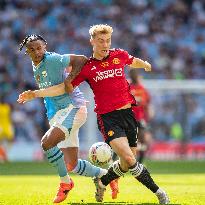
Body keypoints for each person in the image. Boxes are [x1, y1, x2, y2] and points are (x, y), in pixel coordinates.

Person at [21, 25, 170, 204]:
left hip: (129, 115)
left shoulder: (118, 55)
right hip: (108, 118)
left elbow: (131, 60)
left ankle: (102, 180)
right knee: (130, 160)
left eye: (107, 40)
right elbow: (65, 86)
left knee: (125, 163)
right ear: (92, 41)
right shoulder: (88, 68)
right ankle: (159, 192)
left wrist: (144, 64)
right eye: (100, 41)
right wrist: (59, 85)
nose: (105, 44)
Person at [17, 34, 117, 203]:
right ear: (27, 52)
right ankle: (107, 176)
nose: (37, 52)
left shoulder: (53, 59)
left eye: (39, 47)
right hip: (58, 113)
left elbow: (82, 59)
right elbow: (56, 89)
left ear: (45, 46)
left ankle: (65, 183)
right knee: (72, 165)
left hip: (73, 108)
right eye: (32, 50)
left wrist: (70, 80)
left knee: (47, 143)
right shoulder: (37, 66)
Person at [129, 69, 153, 163]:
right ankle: (114, 160)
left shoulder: (142, 89)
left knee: (143, 140)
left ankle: (140, 163)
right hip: (128, 118)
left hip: (139, 118)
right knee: (125, 140)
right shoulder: (127, 87)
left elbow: (147, 103)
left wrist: (148, 114)